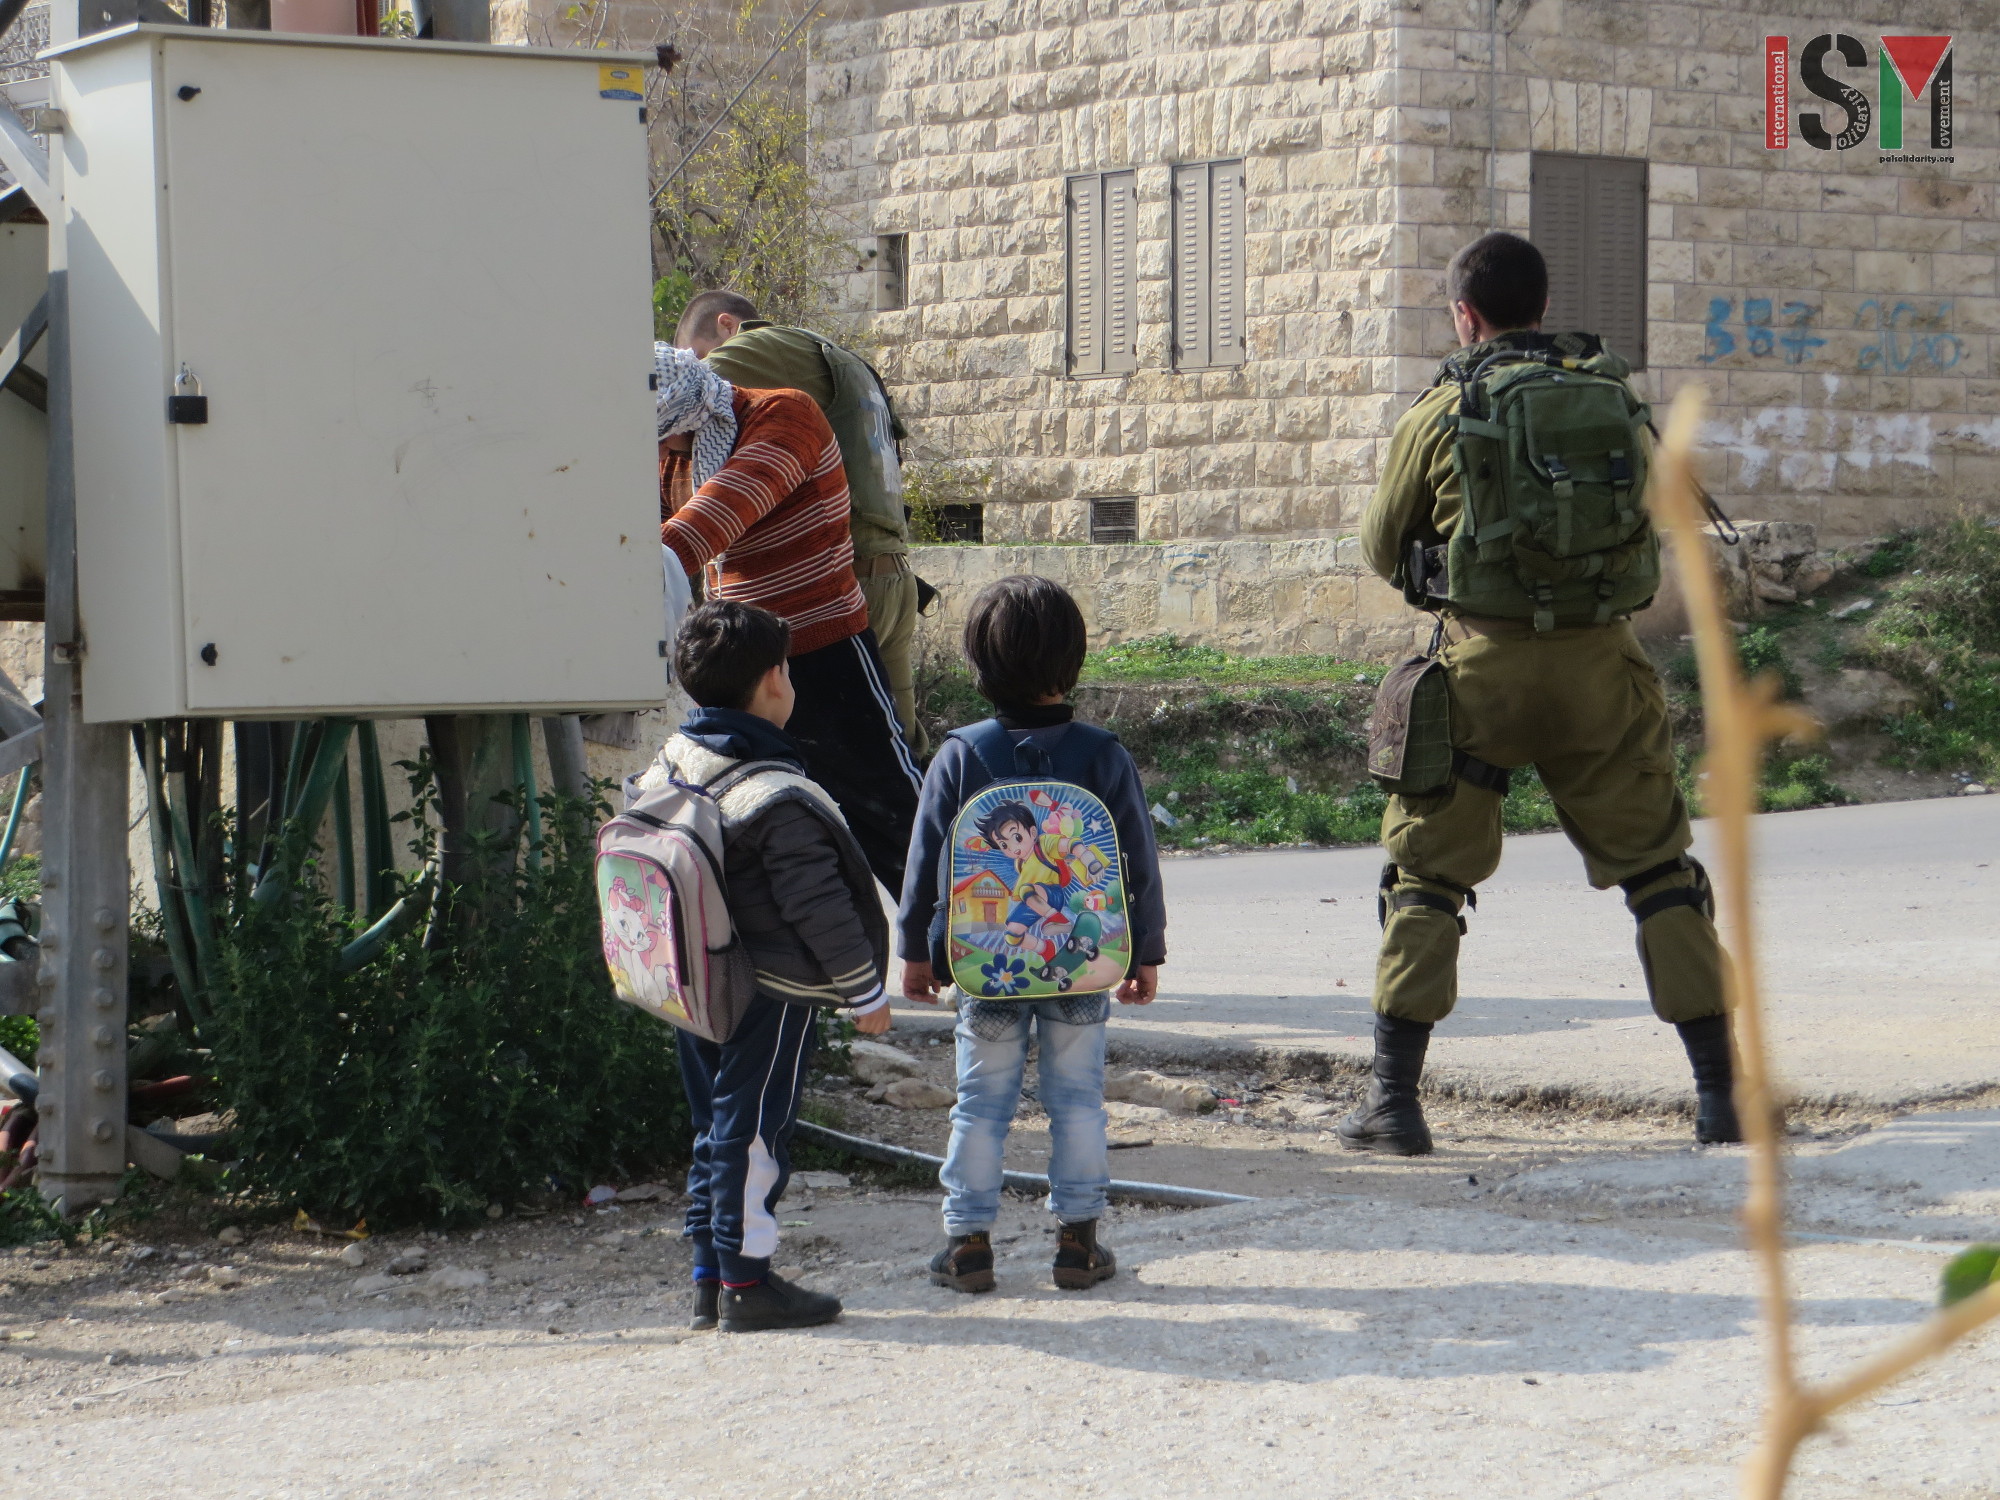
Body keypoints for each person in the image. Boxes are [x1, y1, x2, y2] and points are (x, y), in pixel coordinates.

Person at [1343, 230, 1740, 1157]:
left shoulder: (1443, 408)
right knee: (1659, 872)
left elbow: (1377, 545)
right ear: (1544, 305)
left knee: (1427, 879)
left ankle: (1395, 1107)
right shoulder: (1612, 398)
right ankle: (1719, 1099)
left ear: (1463, 315)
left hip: (1479, 668)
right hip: (1602, 666)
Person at [898, 575, 1167, 1294]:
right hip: (1082, 966)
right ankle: (1079, 1244)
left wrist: (916, 951)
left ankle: (967, 1245)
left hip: (987, 971)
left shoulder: (960, 753)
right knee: (1076, 1098)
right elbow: (1137, 860)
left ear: (978, 664)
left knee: (981, 1102)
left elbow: (924, 861)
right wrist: (1145, 950)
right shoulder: (1102, 753)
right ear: (1072, 660)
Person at [644, 600, 893, 1334]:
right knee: (754, 1129)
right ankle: (748, 1282)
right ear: (774, 681)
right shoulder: (772, 791)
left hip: (689, 977)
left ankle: (708, 1276)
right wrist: (864, 992)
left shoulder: (675, 759)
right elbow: (817, 904)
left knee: (712, 1122)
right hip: (769, 988)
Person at [654, 342, 922, 894]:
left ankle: (966, 944)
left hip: (824, 652)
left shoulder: (786, 415)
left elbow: (711, 518)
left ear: (686, 412)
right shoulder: (673, 455)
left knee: (892, 811)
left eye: (667, 438)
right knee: (759, 818)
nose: (666, 452)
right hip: (741, 662)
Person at [678, 291, 928, 754]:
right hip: (893, 576)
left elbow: (675, 390)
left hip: (839, 589)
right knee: (898, 752)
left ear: (727, 326)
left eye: (698, 353)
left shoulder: (761, 348)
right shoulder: (837, 357)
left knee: (816, 758)